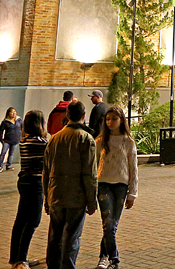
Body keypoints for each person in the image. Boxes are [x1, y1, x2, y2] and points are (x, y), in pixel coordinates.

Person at [42, 101, 97, 269]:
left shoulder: (54, 139)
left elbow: (46, 171)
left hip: (55, 193)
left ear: (67, 115)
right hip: (76, 196)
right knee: (72, 237)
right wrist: (92, 201)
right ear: (84, 115)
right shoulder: (86, 139)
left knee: (55, 236)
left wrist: (46, 198)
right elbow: (90, 174)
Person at [95, 106, 138, 269]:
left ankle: (104, 257)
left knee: (112, 225)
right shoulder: (100, 141)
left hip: (121, 186)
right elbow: (93, 165)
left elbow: (133, 167)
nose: (110, 122)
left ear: (121, 120)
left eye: (114, 119)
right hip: (103, 184)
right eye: (107, 119)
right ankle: (114, 259)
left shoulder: (128, 141)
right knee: (107, 224)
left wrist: (133, 193)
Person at [10, 110, 49, 269]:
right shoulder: (42, 142)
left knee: (21, 220)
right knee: (32, 221)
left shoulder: (24, 141)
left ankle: (16, 259)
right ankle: (21, 260)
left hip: (24, 181)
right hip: (35, 183)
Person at [0, 107, 23, 173]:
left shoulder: (19, 120)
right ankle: (0, 166)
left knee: (11, 154)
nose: (13, 113)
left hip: (15, 140)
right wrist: (1, 139)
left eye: (14, 112)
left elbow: (22, 128)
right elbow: (0, 131)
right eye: (12, 112)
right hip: (7, 140)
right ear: (8, 113)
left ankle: (8, 165)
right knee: (3, 153)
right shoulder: (5, 122)